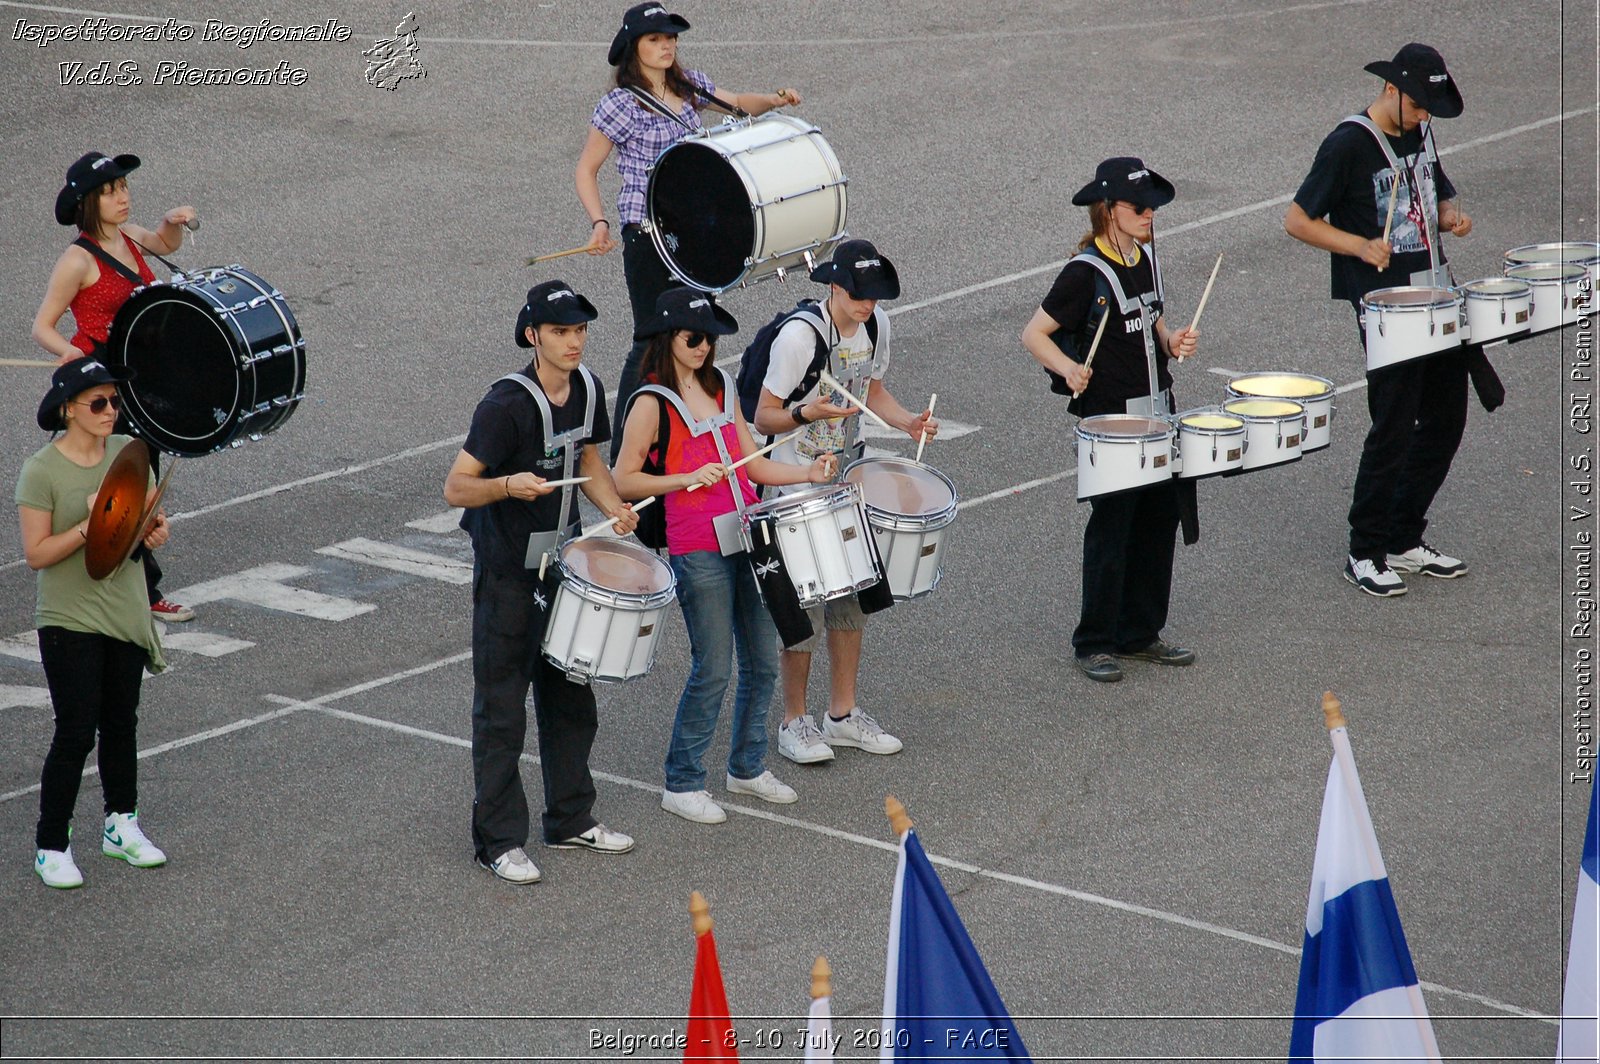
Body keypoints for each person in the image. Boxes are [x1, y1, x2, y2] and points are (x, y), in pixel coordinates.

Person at [443, 280, 641, 884]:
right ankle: (498, 841)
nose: (574, 342)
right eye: (560, 332)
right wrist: (508, 485)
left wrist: (616, 508)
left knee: (571, 700)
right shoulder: (505, 406)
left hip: (563, 566)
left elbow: (588, 462)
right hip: (506, 571)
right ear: (533, 336)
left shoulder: (587, 388)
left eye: (580, 331)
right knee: (502, 711)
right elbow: (456, 486)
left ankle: (570, 819)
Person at [613, 287, 835, 823]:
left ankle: (747, 766)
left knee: (762, 659)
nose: (704, 347)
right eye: (694, 337)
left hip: (748, 534)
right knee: (713, 667)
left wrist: (806, 473)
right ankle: (683, 780)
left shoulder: (723, 386)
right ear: (668, 337)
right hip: (698, 545)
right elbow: (623, 478)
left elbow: (751, 464)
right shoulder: (651, 401)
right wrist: (685, 478)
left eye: (710, 338)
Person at [1284, 43, 1476, 598]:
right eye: (1418, 106)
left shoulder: (1422, 130)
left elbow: (1433, 195)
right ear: (1391, 90)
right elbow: (1298, 220)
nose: (1423, 117)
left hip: (1436, 294)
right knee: (1393, 423)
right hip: (1387, 307)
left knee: (1446, 420)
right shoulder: (1348, 144)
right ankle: (1365, 549)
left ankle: (1403, 535)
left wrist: (1450, 217)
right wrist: (1359, 246)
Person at [575, 2, 802, 458]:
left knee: (697, 329)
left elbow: (737, 103)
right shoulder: (620, 105)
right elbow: (586, 169)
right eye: (655, 39)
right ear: (633, 47)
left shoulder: (690, 84)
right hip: (648, 233)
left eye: (671, 38)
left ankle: (691, 430)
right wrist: (599, 222)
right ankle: (624, 446)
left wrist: (774, 102)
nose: (666, 46)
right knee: (651, 335)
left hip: (697, 232)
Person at [751, 239, 937, 761]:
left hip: (845, 478)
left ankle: (842, 714)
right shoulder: (799, 338)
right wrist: (808, 415)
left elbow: (870, 393)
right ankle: (794, 722)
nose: (867, 307)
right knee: (803, 608)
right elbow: (765, 417)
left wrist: (907, 421)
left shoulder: (877, 327)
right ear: (834, 286)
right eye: (859, 297)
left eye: (875, 298)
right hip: (794, 484)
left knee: (851, 597)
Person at [1020, 158, 1201, 684]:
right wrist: (1069, 368)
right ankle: (1095, 641)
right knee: (1113, 528)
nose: (1150, 214)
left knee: (1157, 522)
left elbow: (1153, 317)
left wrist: (1172, 340)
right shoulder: (1083, 273)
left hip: (1158, 408)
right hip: (1112, 419)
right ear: (1108, 210)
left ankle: (1140, 633)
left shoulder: (1145, 255)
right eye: (1139, 207)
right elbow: (1033, 334)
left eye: (1153, 207)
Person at [19, 359, 174, 888]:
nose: (111, 412)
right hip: (69, 617)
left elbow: (141, 523)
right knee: (75, 731)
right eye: (99, 403)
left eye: (114, 401)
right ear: (68, 409)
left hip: (123, 608)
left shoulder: (127, 455)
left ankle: (121, 824)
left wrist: (152, 531)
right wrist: (91, 526)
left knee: (122, 721)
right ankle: (51, 843)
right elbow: (36, 554)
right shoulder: (41, 471)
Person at [33, 150, 196, 623]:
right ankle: (142, 591)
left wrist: (173, 223)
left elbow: (164, 244)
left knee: (142, 475)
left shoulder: (129, 236)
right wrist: (67, 352)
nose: (122, 197)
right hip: (102, 380)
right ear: (88, 202)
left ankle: (130, 579)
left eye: (123, 188)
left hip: (138, 375)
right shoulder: (77, 260)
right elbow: (42, 325)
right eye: (110, 192)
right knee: (123, 478)